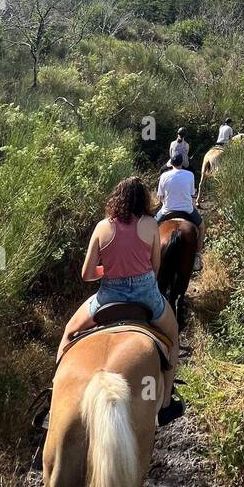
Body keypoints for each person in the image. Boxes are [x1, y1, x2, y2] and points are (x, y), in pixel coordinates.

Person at [56, 176, 181, 417]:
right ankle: (165, 404)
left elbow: (87, 273)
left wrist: (110, 270)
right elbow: (155, 267)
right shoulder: (151, 224)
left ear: (117, 198)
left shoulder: (103, 227)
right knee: (173, 337)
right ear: (142, 199)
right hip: (146, 296)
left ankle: (54, 401)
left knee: (69, 332)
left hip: (108, 296)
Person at [157, 150, 205, 271]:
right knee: (202, 226)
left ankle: (147, 256)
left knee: (150, 225)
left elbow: (160, 197)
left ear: (171, 163)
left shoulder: (163, 176)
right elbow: (192, 193)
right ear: (182, 163)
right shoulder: (190, 175)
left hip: (167, 210)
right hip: (187, 210)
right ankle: (197, 256)